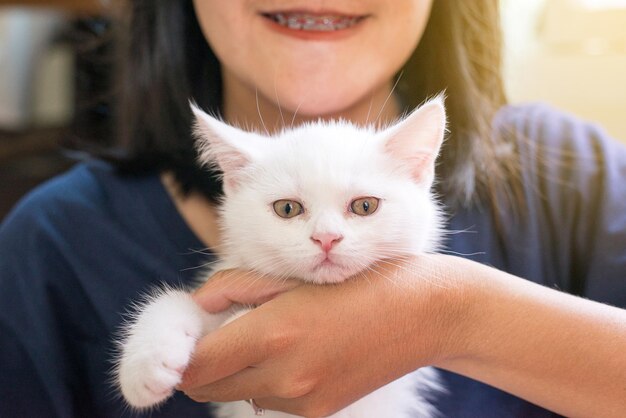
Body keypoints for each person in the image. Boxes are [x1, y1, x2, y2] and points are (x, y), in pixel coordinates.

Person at [0, 1, 625, 417]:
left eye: (361, 206)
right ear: (232, 179)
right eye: (290, 209)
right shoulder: (51, 243)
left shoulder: (576, 176)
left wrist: (456, 315)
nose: (327, 235)